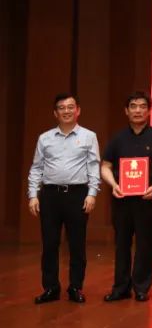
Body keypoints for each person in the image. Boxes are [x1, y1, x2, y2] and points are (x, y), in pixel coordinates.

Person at [100, 91, 152, 302]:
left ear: (149, 111)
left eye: (142, 106)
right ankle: (120, 288)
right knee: (121, 243)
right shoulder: (118, 138)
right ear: (126, 111)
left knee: (145, 244)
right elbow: (105, 166)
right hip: (121, 199)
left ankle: (141, 287)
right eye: (133, 106)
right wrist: (114, 184)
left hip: (147, 199)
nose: (138, 110)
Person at [26, 93, 100, 304]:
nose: (66, 111)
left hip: (77, 195)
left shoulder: (89, 136)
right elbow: (37, 168)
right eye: (61, 108)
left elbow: (93, 166)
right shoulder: (45, 138)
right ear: (55, 113)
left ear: (78, 110)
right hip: (50, 196)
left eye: (70, 107)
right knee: (50, 244)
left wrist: (92, 194)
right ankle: (51, 288)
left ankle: (75, 287)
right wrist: (33, 195)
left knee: (77, 244)